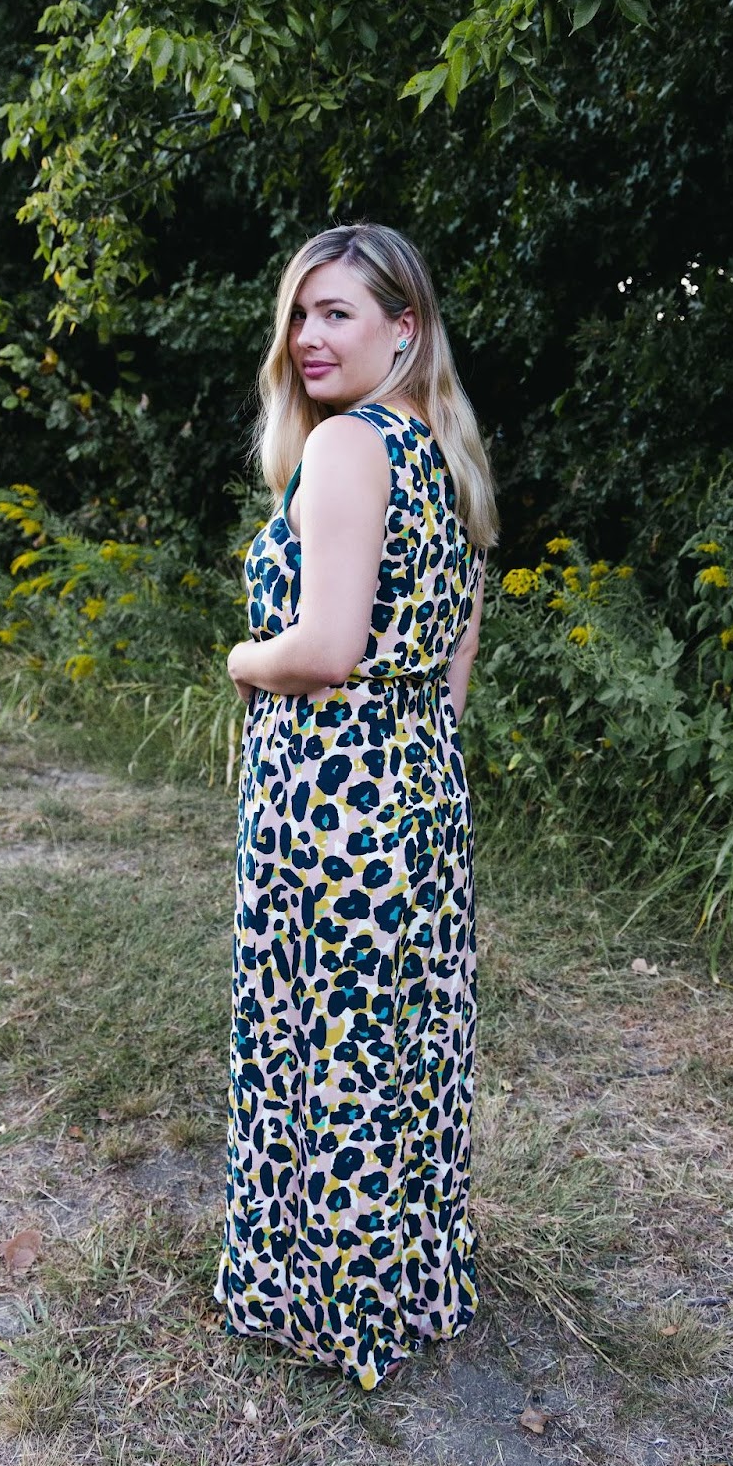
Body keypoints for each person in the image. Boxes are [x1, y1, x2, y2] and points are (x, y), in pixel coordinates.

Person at [214, 223, 497, 1391]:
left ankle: (325, 1301)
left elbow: (325, 648)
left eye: (337, 311)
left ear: (403, 327)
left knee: (321, 1044)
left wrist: (242, 658)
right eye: (299, 311)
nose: (308, 335)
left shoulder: (346, 448)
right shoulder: (447, 457)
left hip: (326, 802)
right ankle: (403, 1286)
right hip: (418, 791)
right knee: (396, 1045)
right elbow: (449, 676)